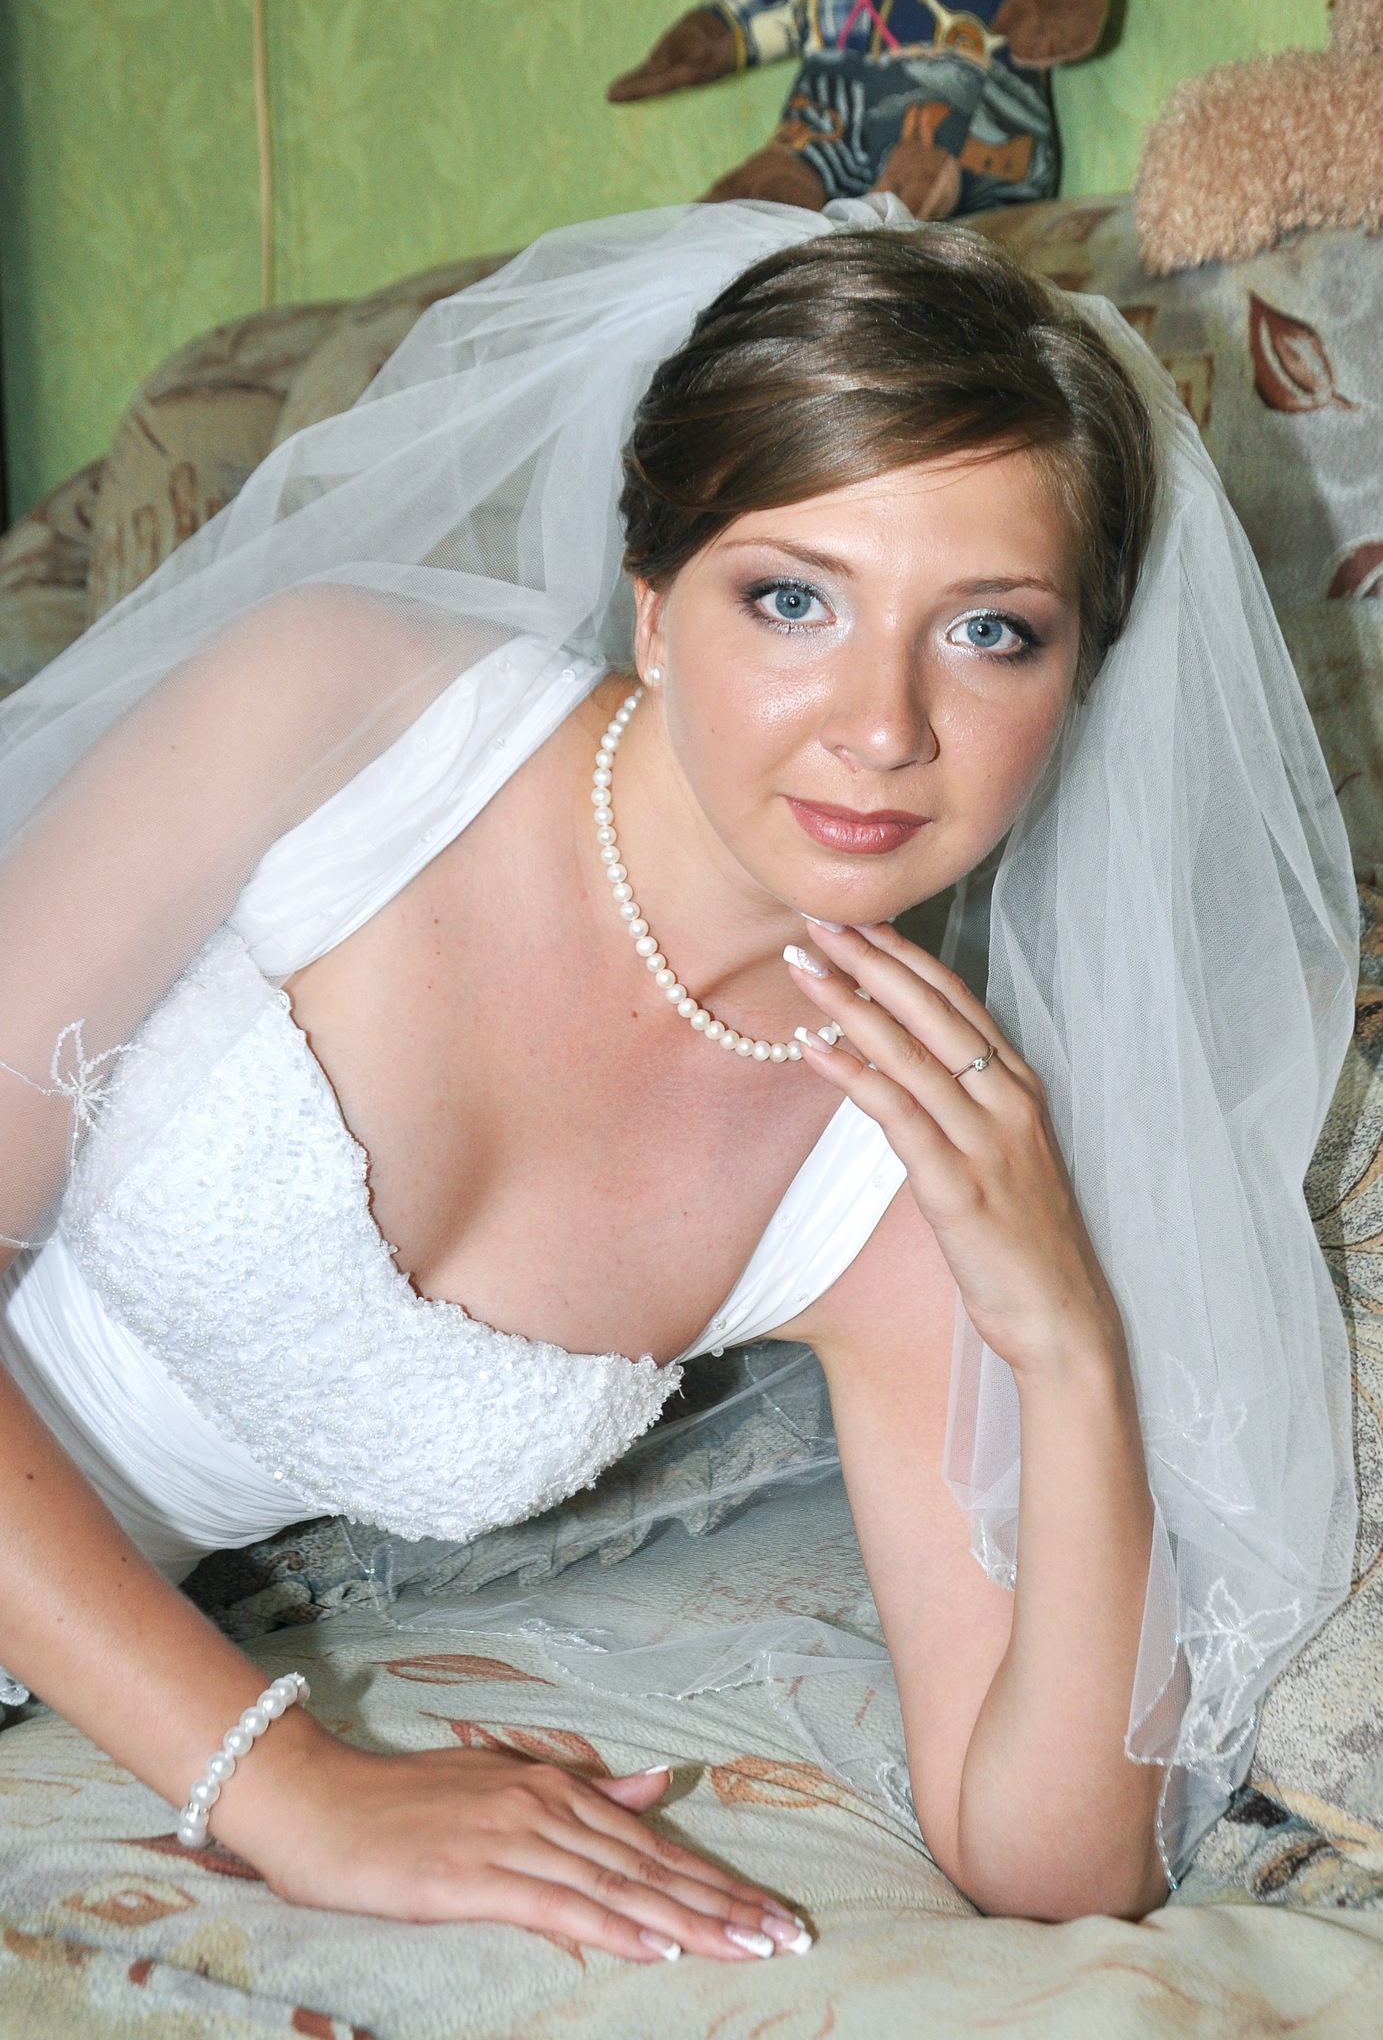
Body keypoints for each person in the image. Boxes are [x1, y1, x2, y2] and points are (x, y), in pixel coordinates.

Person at [0, 198, 1357, 1956]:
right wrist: (283, 1782)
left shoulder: (902, 1154)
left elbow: (1051, 1862)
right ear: (652, 610)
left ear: (1078, 678)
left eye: (990, 632)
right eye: (793, 599)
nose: (883, 725)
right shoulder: (339, 715)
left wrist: (1068, 1349)